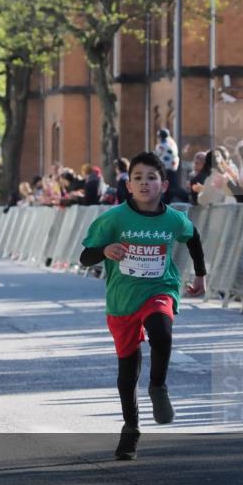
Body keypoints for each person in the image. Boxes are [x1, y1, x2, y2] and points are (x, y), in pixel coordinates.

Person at [79, 151, 207, 461]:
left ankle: (158, 387)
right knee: (127, 373)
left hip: (159, 288)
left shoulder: (173, 218)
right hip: (122, 300)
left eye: (151, 178)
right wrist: (106, 249)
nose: (144, 183)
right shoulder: (113, 218)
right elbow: (85, 257)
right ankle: (131, 428)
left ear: (163, 185)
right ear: (129, 185)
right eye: (138, 178)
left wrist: (201, 275)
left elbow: (193, 238)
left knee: (161, 331)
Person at [154, 128, 180, 198]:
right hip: (173, 169)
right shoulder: (173, 144)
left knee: (164, 188)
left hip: (164, 169)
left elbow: (155, 156)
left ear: (160, 137)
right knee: (172, 187)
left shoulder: (160, 146)